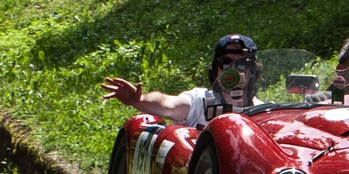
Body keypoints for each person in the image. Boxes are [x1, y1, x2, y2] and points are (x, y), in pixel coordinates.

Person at [100, 34, 259, 126]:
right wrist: (140, 100)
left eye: (241, 64)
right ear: (215, 70)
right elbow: (168, 104)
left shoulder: (265, 111)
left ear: (252, 70)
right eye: (225, 64)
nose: (233, 72)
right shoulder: (201, 102)